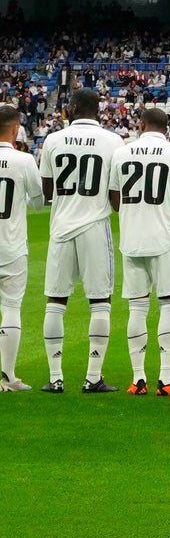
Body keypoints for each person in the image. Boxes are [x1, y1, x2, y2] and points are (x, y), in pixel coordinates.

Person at [39, 89, 125, 394]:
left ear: (73, 108)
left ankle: (55, 378)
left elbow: (47, 189)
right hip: (94, 225)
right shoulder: (114, 141)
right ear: (97, 110)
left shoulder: (52, 139)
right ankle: (92, 377)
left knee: (55, 300)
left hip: (61, 226)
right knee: (100, 302)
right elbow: (116, 196)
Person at [108, 108, 170, 397]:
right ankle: (167, 379)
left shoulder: (121, 153)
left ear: (141, 125)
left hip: (131, 240)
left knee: (137, 308)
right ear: (166, 128)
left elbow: (116, 202)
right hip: (164, 240)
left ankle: (138, 378)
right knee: (168, 305)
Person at [0, 104, 43, 391]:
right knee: (12, 308)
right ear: (16, 129)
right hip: (11, 246)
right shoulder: (24, 160)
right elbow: (39, 203)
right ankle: (8, 377)